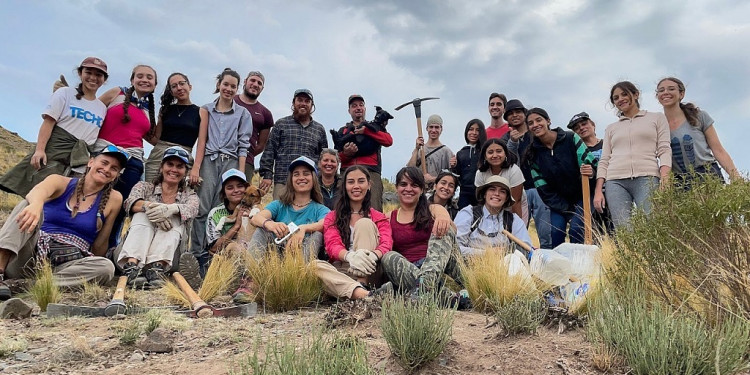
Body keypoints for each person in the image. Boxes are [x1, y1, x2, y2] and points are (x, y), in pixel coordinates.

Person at [0, 146, 127, 299]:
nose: (107, 169)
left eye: (114, 168)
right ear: (90, 162)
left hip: (64, 266)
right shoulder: (60, 181)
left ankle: (28, 285)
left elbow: (100, 244)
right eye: (104, 162)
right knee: (25, 206)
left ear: (115, 176)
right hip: (29, 256)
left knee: (106, 267)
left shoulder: (115, 198)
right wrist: (36, 205)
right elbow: (37, 192)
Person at [0, 57, 108, 197]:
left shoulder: (101, 108)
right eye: (89, 72)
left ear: (104, 79)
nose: (93, 78)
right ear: (80, 73)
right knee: (38, 195)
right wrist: (39, 150)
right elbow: (48, 122)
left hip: (79, 160)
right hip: (54, 152)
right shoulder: (65, 93)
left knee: (66, 198)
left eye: (98, 75)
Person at [189, 68, 253, 269]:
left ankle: (218, 253)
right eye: (225, 84)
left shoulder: (243, 113)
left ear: (237, 89)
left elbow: (244, 145)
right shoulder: (206, 109)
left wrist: (241, 174)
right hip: (209, 159)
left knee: (223, 208)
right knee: (202, 207)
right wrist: (196, 167)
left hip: (231, 160)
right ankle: (197, 253)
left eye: (233, 86)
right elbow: (202, 140)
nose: (228, 89)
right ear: (219, 85)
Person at [380, 167, 467, 307]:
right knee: (388, 257)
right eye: (403, 184)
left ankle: (426, 286)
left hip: (437, 265)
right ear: (396, 188)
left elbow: (452, 231)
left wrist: (443, 216)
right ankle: (450, 298)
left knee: (444, 230)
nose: (408, 189)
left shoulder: (433, 209)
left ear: (421, 190)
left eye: (414, 185)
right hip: (410, 272)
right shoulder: (388, 218)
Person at [95, 64, 159, 248]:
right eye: (140, 76)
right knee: (94, 199)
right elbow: (92, 110)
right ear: (132, 80)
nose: (144, 80)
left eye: (149, 77)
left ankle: (108, 247)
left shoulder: (150, 110)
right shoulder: (116, 93)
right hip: (105, 153)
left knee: (120, 207)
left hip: (133, 160)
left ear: (154, 84)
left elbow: (153, 138)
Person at [116, 146, 199, 288]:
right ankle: (131, 266)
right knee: (142, 214)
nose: (174, 170)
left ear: (185, 172)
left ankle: (157, 267)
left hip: (171, 257)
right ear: (161, 167)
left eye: (179, 166)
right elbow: (129, 202)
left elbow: (192, 209)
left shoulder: (189, 195)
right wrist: (149, 207)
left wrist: (170, 209)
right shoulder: (144, 187)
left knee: (175, 217)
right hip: (133, 249)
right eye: (170, 164)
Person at [594, 81, 672, 228]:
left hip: (647, 177)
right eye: (616, 98)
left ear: (636, 94)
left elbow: (664, 149)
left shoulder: (656, 118)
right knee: (623, 229)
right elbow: (604, 160)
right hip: (615, 181)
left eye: (624, 94)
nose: (620, 99)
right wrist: (598, 190)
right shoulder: (611, 128)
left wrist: (665, 178)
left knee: (652, 225)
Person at [522, 108, 596, 247]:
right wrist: (565, 208)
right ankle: (559, 267)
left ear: (548, 121)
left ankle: (578, 266)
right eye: (531, 123)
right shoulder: (532, 154)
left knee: (576, 230)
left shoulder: (570, 138)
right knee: (556, 233)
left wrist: (591, 173)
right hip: (558, 202)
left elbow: (590, 164)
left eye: (539, 120)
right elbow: (543, 188)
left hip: (583, 196)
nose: (535, 125)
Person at [321, 165, 392, 296]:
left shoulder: (379, 217)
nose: (356, 186)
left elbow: (386, 243)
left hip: (372, 269)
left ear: (369, 185)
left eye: (361, 181)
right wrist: (350, 256)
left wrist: (374, 255)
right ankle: (366, 295)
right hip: (344, 269)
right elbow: (332, 245)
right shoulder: (332, 217)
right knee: (315, 267)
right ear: (345, 186)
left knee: (364, 223)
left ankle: (361, 284)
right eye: (351, 182)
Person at [656, 77, 740, 186]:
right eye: (661, 90)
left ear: (681, 94)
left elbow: (718, 150)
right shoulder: (657, 125)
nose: (666, 92)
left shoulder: (699, 116)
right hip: (679, 180)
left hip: (706, 173)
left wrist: (735, 177)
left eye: (671, 89)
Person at [249, 156, 330, 260]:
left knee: (317, 235)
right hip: (276, 253)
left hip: (302, 254)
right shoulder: (279, 205)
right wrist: (270, 224)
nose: (301, 178)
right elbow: (255, 218)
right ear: (291, 180)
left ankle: (303, 274)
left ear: (313, 179)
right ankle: (250, 272)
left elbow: (325, 223)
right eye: (296, 174)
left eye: (306, 174)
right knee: (261, 230)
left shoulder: (320, 209)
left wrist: (304, 228)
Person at [259, 89, 328, 199]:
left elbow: (323, 157)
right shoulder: (281, 124)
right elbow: (270, 150)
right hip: (283, 180)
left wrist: (321, 179)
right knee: (280, 214)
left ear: (311, 105)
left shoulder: (319, 129)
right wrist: (267, 175)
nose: (303, 104)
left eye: (307, 101)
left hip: (309, 183)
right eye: (300, 100)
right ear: (293, 103)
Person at [503, 99, 552, 248]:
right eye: (510, 114)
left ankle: (548, 259)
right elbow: (507, 161)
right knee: (518, 229)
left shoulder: (537, 133)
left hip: (540, 188)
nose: (515, 115)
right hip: (519, 191)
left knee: (545, 230)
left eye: (518, 112)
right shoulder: (506, 138)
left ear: (524, 114)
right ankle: (520, 257)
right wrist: (512, 142)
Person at [333, 95, 394, 211]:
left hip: (371, 173)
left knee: (373, 209)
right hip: (347, 171)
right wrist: (346, 154)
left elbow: (388, 141)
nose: (358, 108)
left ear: (365, 109)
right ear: (349, 110)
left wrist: (367, 131)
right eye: (354, 106)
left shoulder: (374, 127)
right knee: (341, 209)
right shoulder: (343, 131)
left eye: (361, 105)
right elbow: (336, 158)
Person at [144, 72, 201, 182]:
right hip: (159, 155)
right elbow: (156, 138)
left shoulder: (200, 112)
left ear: (190, 86)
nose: (179, 88)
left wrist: (196, 167)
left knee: (177, 195)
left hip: (183, 156)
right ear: (171, 91)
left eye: (182, 84)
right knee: (150, 189)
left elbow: (201, 143)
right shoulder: (165, 110)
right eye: (174, 86)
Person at [455, 176, 532, 256]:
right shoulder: (469, 213)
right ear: (484, 194)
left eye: (502, 191)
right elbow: (455, 248)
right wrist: (487, 253)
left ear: (506, 198)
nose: (497, 194)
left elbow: (526, 250)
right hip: (468, 266)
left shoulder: (514, 220)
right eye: (492, 189)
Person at [567, 112, 613, 236]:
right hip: (590, 195)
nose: (581, 128)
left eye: (584, 124)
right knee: (594, 233)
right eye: (576, 128)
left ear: (592, 125)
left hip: (613, 191)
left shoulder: (608, 144)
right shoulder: (577, 152)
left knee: (616, 230)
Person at [201, 169, 253, 275]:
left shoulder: (256, 210)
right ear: (224, 193)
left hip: (252, 254)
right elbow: (214, 248)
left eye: (240, 186)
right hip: (225, 257)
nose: (236, 190)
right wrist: (236, 225)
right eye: (230, 187)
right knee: (233, 249)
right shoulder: (215, 214)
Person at [474, 139, 528, 226]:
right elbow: (482, 199)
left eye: (499, 151)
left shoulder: (514, 170)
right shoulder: (480, 173)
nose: (495, 155)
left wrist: (516, 227)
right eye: (490, 152)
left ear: (505, 153)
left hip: (516, 205)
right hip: (492, 205)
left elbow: (516, 201)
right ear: (485, 156)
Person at [234, 71, 274, 178]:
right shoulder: (230, 100)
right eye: (252, 80)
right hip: (221, 156)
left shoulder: (265, 114)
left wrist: (248, 154)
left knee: (241, 193)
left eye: (259, 83)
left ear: (262, 88)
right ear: (245, 81)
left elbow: (261, 145)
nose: (255, 84)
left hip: (247, 161)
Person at [407, 114, 454, 187]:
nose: (433, 130)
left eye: (437, 127)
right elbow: (409, 170)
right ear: (427, 128)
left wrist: (432, 179)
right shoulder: (420, 150)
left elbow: (452, 177)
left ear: (441, 129)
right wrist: (416, 149)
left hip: (437, 192)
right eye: (431, 127)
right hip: (420, 191)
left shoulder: (446, 152)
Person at [450, 119, 487, 209]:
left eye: (477, 130)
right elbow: (458, 175)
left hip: (481, 192)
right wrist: (453, 167)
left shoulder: (485, 150)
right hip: (464, 192)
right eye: (471, 129)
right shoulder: (461, 153)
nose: (474, 133)